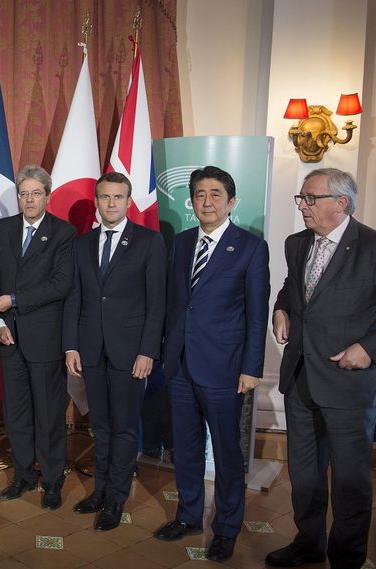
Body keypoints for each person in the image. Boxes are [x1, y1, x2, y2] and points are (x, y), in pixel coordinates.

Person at [154, 166, 269, 561]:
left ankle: (226, 527)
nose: (207, 201)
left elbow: (257, 313)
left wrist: (252, 367)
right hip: (181, 365)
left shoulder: (251, 247)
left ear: (231, 201)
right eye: (200, 194)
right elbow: (175, 303)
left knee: (225, 453)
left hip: (224, 368)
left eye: (216, 194)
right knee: (185, 448)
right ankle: (188, 514)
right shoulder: (183, 242)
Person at [268, 169, 376, 569]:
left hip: (349, 384)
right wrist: (281, 308)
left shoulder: (371, 246)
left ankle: (346, 558)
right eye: (301, 198)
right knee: (306, 475)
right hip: (300, 379)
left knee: (350, 482)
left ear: (341, 203)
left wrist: (368, 347)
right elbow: (291, 289)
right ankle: (307, 543)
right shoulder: (296, 244)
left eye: (310, 199)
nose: (302, 206)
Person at [63, 171, 166, 530]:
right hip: (91, 349)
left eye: (118, 198)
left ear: (128, 201)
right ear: (97, 200)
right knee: (101, 427)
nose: (111, 204)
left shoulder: (149, 242)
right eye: (105, 197)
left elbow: (157, 304)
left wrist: (148, 351)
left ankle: (116, 499)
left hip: (131, 353)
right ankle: (100, 491)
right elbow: (74, 297)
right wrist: (71, 345)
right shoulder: (82, 244)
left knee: (124, 429)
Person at [0, 165, 75, 510]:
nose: (29, 199)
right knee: (17, 411)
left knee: (49, 412)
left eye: (36, 193)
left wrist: (16, 300)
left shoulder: (63, 233)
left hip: (44, 338)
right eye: (23, 193)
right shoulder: (3, 228)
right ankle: (23, 474)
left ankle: (52, 479)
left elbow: (61, 283)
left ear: (47, 197)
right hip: (8, 336)